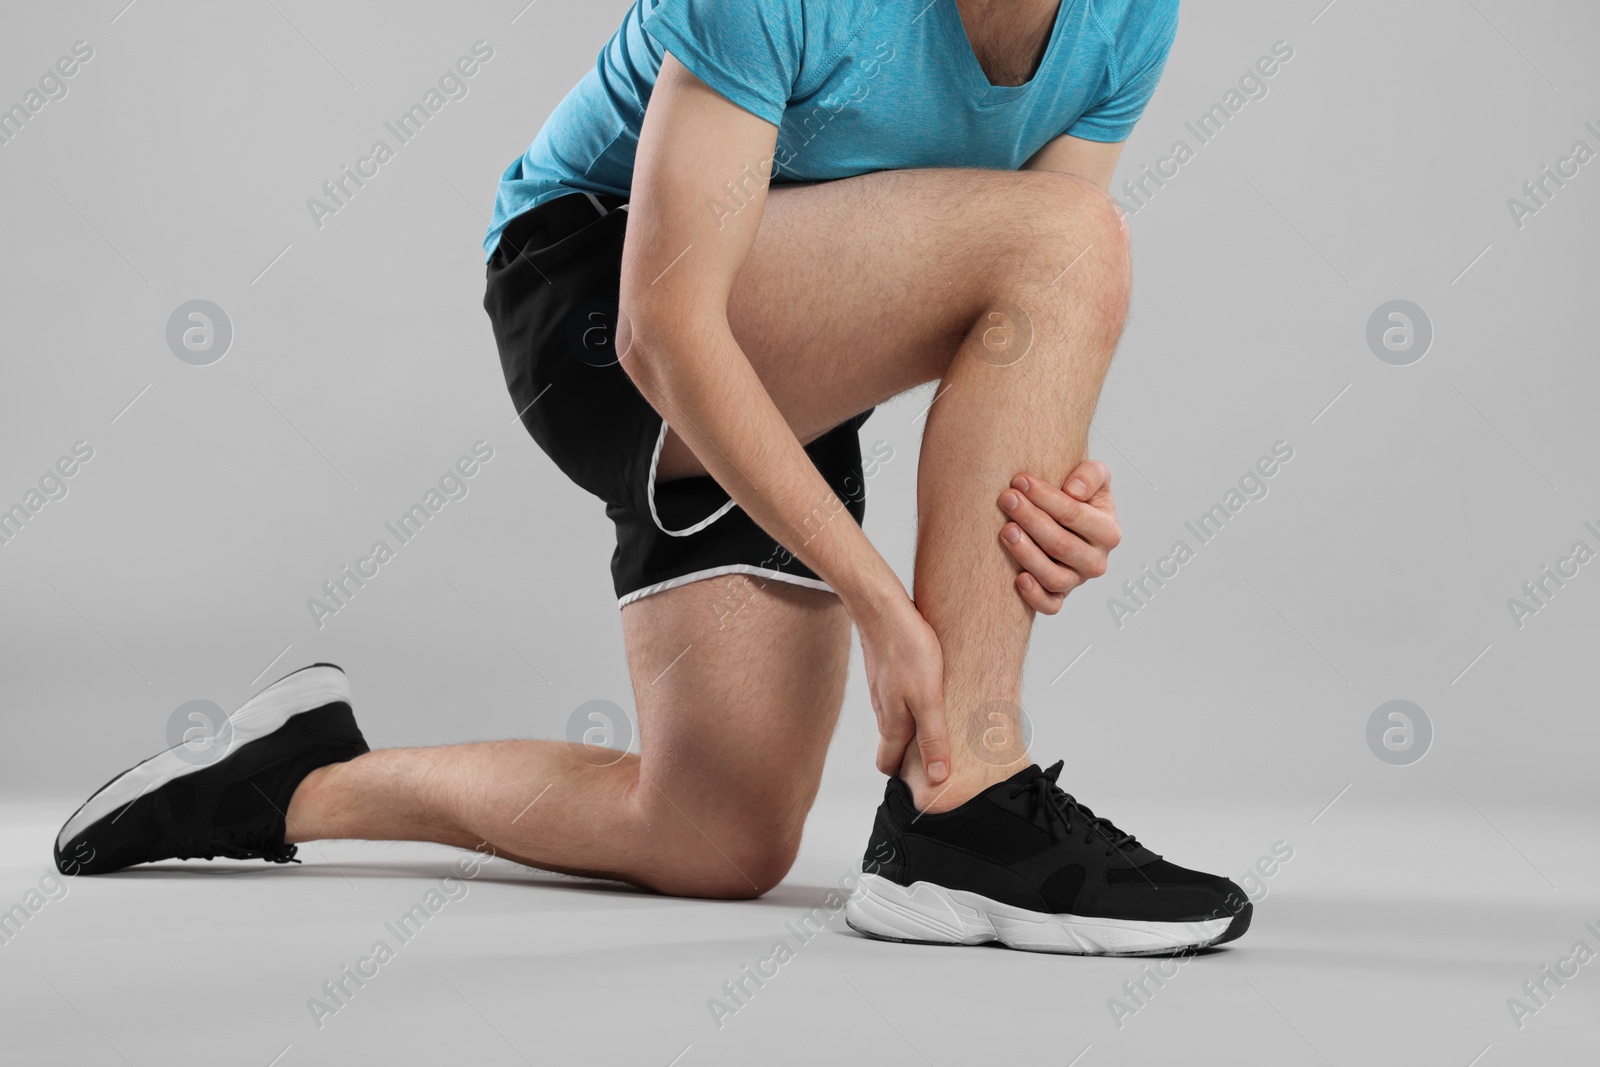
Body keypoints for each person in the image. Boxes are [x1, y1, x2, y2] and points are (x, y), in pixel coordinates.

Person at [55, 0, 1251, 955]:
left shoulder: (1125, 17)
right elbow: (664, 325)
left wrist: (1061, 497)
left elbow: (1010, 324)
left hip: (782, 331)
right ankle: (965, 796)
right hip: (595, 289)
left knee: (717, 839)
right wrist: (886, 608)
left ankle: (295, 779)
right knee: (1069, 238)